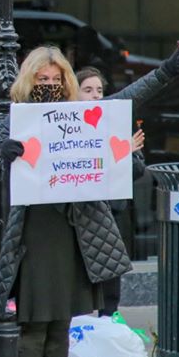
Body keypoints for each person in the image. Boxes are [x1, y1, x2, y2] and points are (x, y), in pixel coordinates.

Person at [0, 42, 179, 357]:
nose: (49, 84)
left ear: (66, 79)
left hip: (73, 231)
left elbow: (129, 98)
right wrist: (5, 152)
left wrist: (166, 70)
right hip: (34, 232)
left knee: (62, 322)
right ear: (29, 80)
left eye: (55, 78)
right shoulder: (15, 117)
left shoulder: (81, 114)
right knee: (35, 323)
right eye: (41, 78)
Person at [76, 66, 146, 317]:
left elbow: (138, 169)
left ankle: (108, 319)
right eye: (87, 90)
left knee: (110, 272)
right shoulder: (65, 127)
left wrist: (126, 153)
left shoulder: (117, 124)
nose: (95, 95)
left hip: (112, 209)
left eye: (99, 90)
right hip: (79, 210)